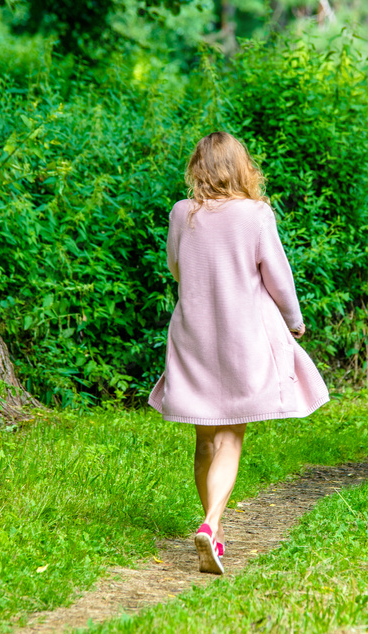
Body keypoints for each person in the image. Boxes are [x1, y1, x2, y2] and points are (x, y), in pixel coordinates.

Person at [148, 131, 330, 575]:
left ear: (199, 168)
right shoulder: (256, 214)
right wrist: (294, 321)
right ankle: (210, 525)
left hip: (193, 333)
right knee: (230, 435)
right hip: (241, 334)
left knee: (205, 435)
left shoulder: (180, 214)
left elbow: (174, 267)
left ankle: (217, 531)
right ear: (241, 167)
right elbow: (278, 278)